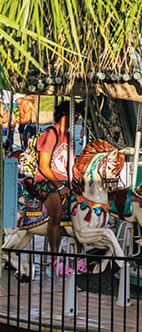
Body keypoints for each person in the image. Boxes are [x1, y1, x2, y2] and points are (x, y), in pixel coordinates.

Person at [31, 101, 81, 256]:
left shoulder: (69, 137)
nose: (77, 119)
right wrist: (60, 186)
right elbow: (44, 166)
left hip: (65, 181)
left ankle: (79, 254)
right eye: (76, 115)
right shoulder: (50, 134)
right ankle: (54, 255)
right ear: (65, 115)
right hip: (47, 181)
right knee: (56, 213)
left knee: (82, 209)